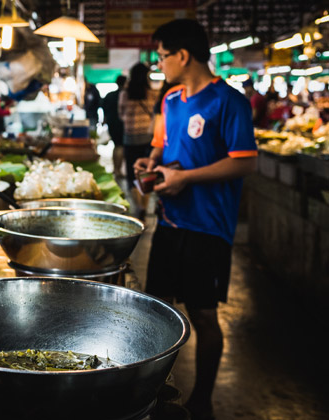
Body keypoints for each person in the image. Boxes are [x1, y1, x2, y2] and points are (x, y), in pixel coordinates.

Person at [134, 19, 257, 420]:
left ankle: (202, 400)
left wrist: (185, 177)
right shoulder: (170, 100)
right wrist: (150, 166)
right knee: (157, 309)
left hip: (209, 227)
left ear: (182, 55)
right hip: (171, 223)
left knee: (204, 314)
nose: (160, 65)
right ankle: (152, 393)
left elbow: (244, 163)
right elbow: (160, 147)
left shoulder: (229, 101)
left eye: (162, 57)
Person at [119, 62, 157, 214]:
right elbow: (155, 115)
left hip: (130, 138)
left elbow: (121, 115)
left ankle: (138, 206)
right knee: (146, 173)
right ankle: (145, 205)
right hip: (147, 138)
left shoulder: (125, 93)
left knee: (131, 172)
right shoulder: (152, 93)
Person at [101, 75, 127, 177]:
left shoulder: (110, 95)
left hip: (111, 123)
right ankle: (118, 170)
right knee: (120, 146)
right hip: (121, 124)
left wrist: (104, 120)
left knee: (116, 146)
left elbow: (103, 108)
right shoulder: (126, 95)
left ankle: (116, 168)